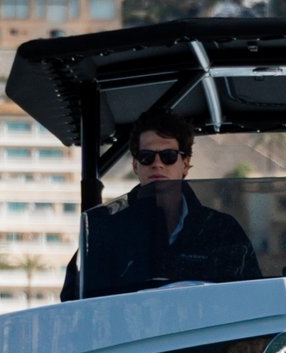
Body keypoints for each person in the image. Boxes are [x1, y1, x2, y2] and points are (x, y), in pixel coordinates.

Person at [61, 113, 262, 298]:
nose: (157, 164)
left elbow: (252, 297)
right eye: (146, 156)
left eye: (169, 156)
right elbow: (75, 301)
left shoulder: (221, 230)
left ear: (185, 164)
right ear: (135, 165)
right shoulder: (104, 230)